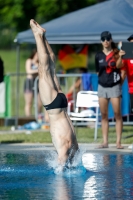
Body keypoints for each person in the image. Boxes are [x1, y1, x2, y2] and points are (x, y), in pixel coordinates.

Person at [30, 19, 78, 166]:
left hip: (60, 104)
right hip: (55, 107)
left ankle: (42, 36)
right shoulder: (66, 148)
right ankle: (38, 36)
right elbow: (62, 161)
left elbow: (66, 161)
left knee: (50, 67)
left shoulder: (74, 147)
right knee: (46, 69)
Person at [95, 31, 125, 149]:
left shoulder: (117, 53)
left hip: (114, 86)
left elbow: (119, 67)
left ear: (111, 40)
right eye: (103, 39)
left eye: (108, 38)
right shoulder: (98, 55)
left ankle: (118, 142)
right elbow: (98, 72)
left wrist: (121, 56)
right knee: (104, 115)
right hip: (102, 86)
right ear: (101, 41)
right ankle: (105, 141)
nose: (106, 41)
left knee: (117, 114)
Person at [24, 49, 42, 117]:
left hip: (38, 83)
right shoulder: (29, 61)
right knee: (29, 102)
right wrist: (38, 70)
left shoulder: (40, 63)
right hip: (29, 82)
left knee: (39, 103)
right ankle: (28, 118)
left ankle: (39, 117)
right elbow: (29, 71)